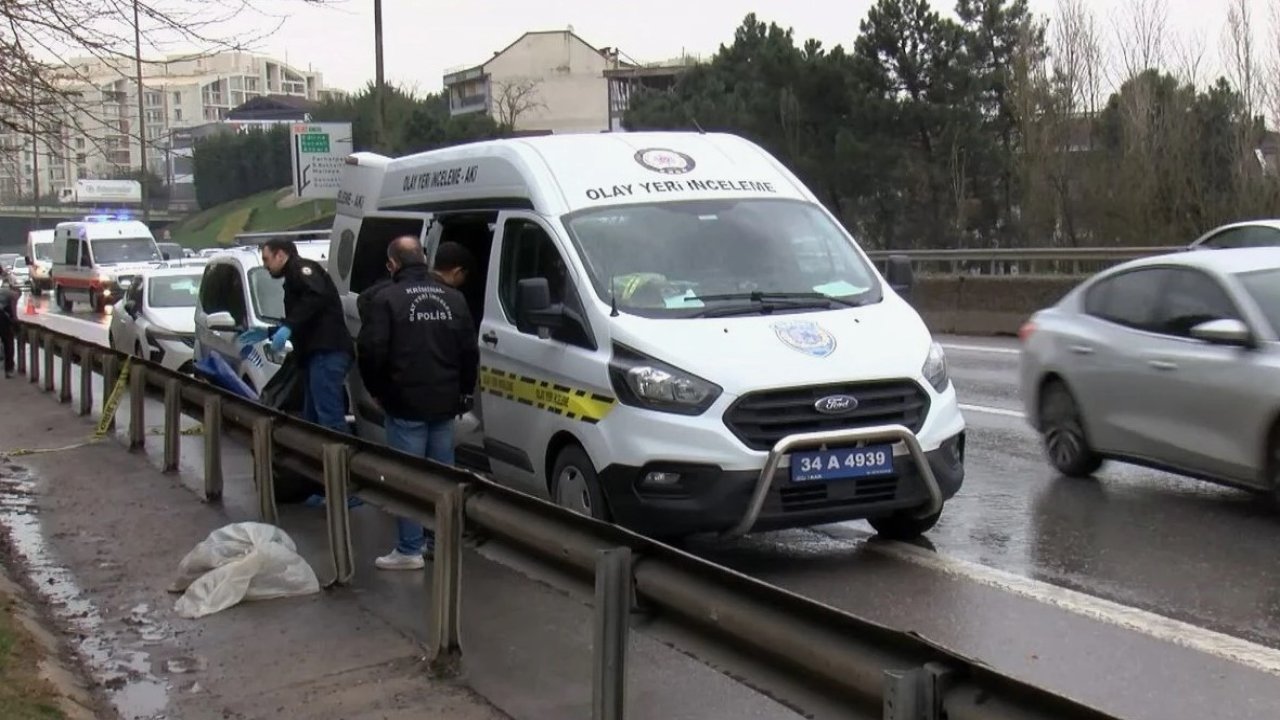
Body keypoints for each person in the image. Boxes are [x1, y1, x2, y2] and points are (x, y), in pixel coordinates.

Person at [358, 236, 477, 570]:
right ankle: (440, 541)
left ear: (392, 265)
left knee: (407, 478)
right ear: (423, 258)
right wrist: (464, 392)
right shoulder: (454, 298)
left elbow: (371, 350)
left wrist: (377, 390)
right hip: (444, 401)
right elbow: (469, 351)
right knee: (441, 478)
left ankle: (410, 549)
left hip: (404, 401)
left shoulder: (386, 299)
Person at [256, 238, 355, 504]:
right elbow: (307, 313)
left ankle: (346, 488)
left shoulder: (302, 270)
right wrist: (274, 330)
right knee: (311, 422)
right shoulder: (293, 277)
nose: (265, 266)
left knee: (329, 421)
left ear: (281, 255)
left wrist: (288, 326)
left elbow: (315, 298)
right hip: (315, 355)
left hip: (327, 352)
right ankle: (323, 487)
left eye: (266, 259)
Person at [0, 272, 17, 379]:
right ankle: (9, 370)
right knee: (8, 343)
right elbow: (13, 303)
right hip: (2, 318)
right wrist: (14, 319)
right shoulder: (9, 291)